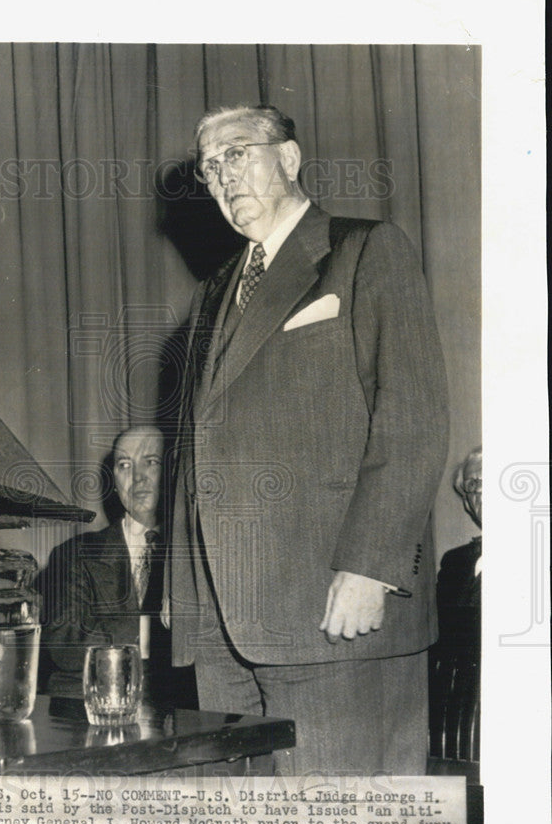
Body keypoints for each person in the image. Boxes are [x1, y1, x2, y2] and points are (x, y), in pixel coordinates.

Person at [166, 104, 449, 774]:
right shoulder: (212, 293)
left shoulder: (363, 249)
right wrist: (187, 604)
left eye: (236, 153)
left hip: (332, 608)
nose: (221, 176)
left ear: (288, 159)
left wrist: (371, 565)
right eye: (209, 167)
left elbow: (410, 417)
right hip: (223, 625)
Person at [41, 425, 197, 707]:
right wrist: (155, 632)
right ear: (113, 480)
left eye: (151, 462)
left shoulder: (199, 552)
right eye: (125, 465)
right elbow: (65, 645)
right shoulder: (75, 554)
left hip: (180, 707)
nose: (137, 477)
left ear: (174, 473)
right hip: (92, 709)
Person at [429, 446, 482, 764]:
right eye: (475, 484)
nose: (486, 493)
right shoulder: (455, 563)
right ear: (467, 502)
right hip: (456, 729)